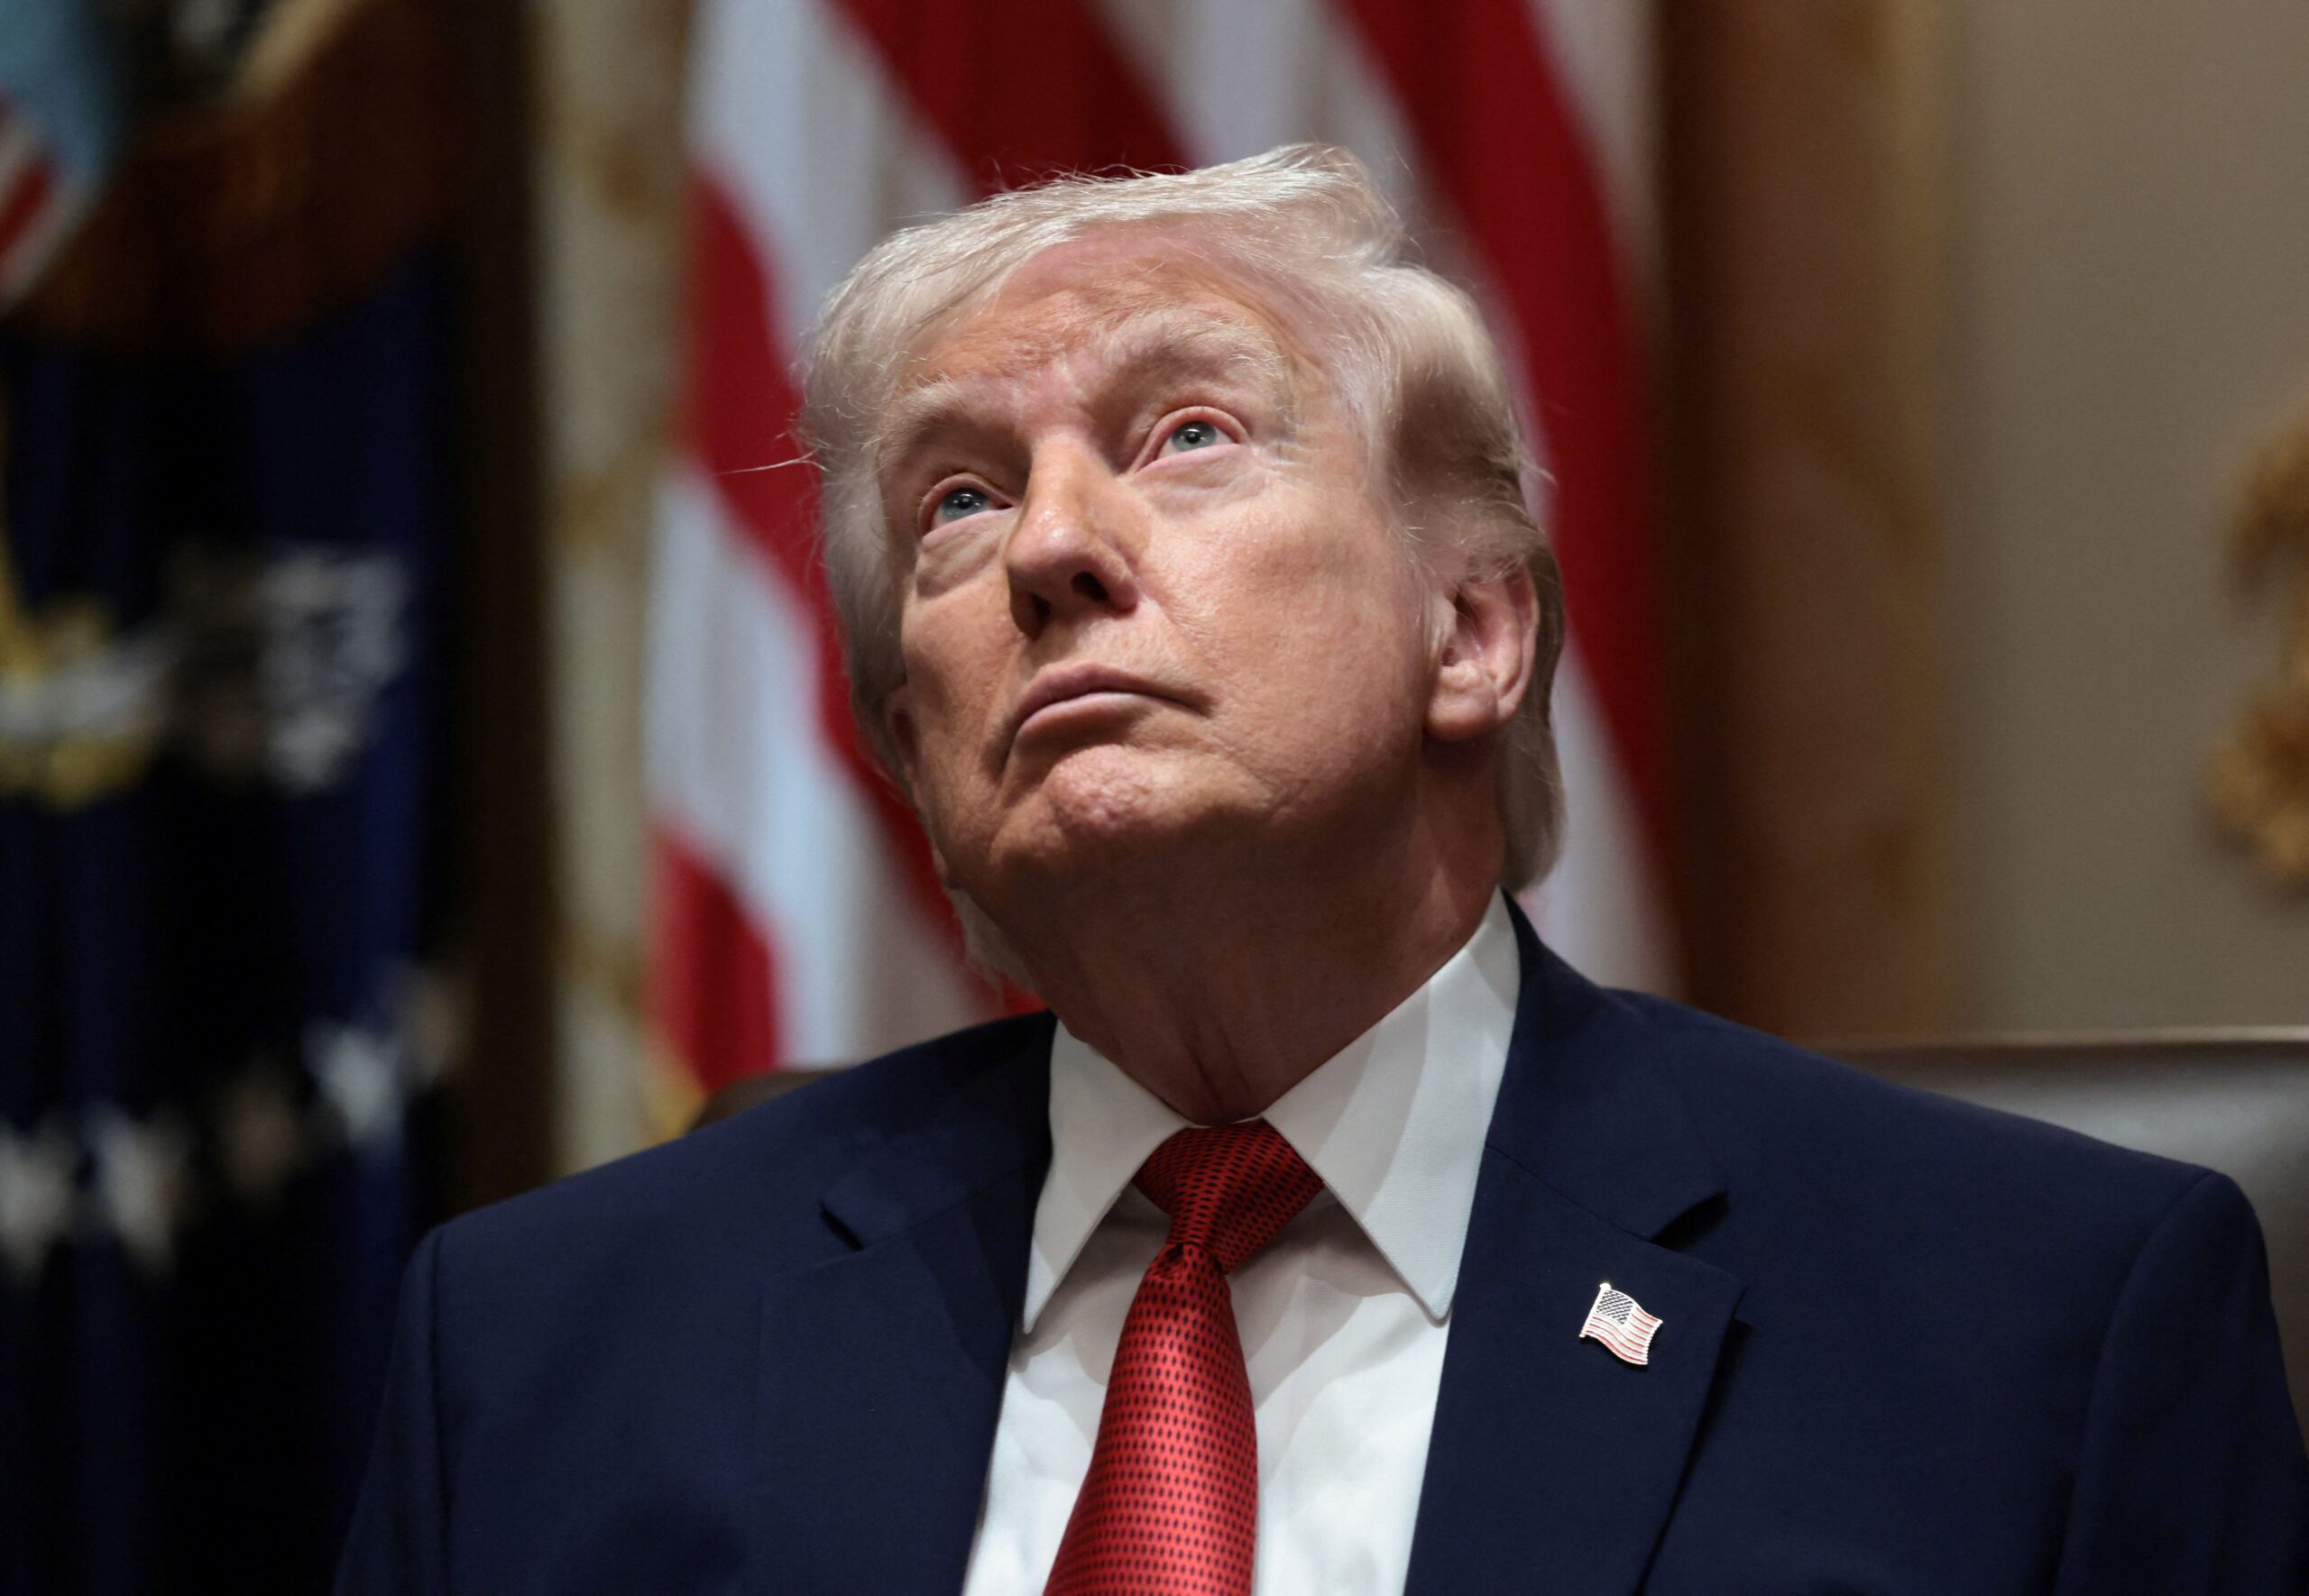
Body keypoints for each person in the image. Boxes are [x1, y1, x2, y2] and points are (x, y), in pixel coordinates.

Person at [337, 146, 2307, 1595]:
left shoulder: (2030, 1328)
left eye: (1184, 433)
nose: (1047, 547)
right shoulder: (534, 1359)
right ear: (902, 748)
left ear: (1473, 629)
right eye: (956, 498)